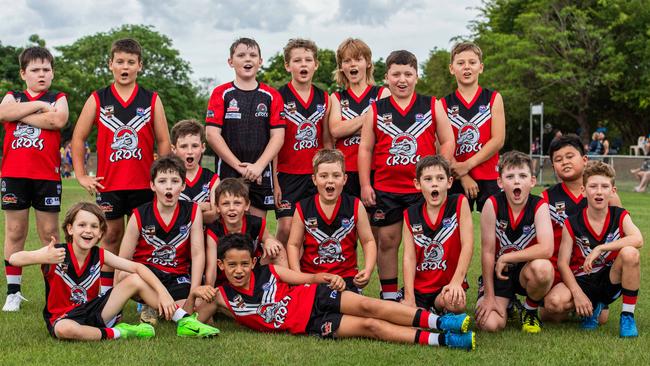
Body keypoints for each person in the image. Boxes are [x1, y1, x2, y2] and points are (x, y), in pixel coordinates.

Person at [188, 233, 475, 350]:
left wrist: (323, 276)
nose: (238, 270)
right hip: (309, 324)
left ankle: (440, 322)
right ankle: (444, 341)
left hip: (315, 296)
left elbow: (305, 277)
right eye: (231, 265)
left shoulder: (269, 271)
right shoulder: (222, 297)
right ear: (220, 265)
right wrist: (198, 295)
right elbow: (189, 324)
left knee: (370, 307)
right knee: (370, 326)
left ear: (253, 262)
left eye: (243, 264)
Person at [7, 202, 205, 340]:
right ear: (70, 229)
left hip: (96, 311)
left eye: (94, 226)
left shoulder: (100, 254)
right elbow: (14, 259)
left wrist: (163, 293)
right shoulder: (56, 253)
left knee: (134, 280)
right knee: (65, 330)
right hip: (63, 318)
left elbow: (137, 267)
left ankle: (185, 321)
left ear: (101, 233)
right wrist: (40, 257)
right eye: (82, 225)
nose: (88, 230)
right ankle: (123, 332)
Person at [71, 38, 171, 295]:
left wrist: (162, 178)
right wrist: (82, 175)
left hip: (143, 185)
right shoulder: (98, 98)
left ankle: (143, 296)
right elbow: (78, 138)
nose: (124, 67)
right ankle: (106, 294)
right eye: (120, 62)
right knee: (111, 237)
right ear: (110, 65)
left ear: (140, 66)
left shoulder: (151, 99)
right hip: (110, 184)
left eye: (130, 62)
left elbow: (163, 141)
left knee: (145, 241)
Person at [358, 50, 455, 300]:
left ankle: (425, 293)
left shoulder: (431, 104)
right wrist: (365, 185)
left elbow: (447, 140)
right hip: (386, 188)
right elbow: (366, 149)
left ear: (416, 76)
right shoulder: (376, 109)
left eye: (408, 74)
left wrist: (437, 172)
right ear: (386, 77)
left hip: (421, 190)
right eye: (396, 74)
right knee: (387, 241)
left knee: (426, 242)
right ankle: (389, 295)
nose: (402, 80)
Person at [115, 155, 217, 336]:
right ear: (153, 185)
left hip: (176, 276)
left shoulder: (192, 211)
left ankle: (154, 306)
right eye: (162, 181)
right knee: (125, 275)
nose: (169, 186)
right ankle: (160, 306)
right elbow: (122, 260)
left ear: (183, 186)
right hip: (146, 276)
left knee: (203, 310)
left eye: (175, 181)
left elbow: (197, 253)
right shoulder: (139, 214)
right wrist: (117, 306)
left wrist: (193, 292)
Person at [0, 46, 69, 311]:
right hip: (15, 176)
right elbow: (4, 113)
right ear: (23, 73)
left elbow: (58, 120)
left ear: (52, 72)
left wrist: (22, 113)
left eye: (46, 69)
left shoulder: (58, 96)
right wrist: (40, 107)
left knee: (49, 234)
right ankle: (13, 292)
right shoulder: (13, 96)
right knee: (15, 232)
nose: (41, 74)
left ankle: (54, 291)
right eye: (35, 70)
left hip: (46, 178)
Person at [555, 161, 643, 337]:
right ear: (583, 191)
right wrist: (577, 294)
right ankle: (593, 306)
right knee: (554, 303)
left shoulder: (619, 215)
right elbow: (562, 263)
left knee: (631, 253)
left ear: (613, 191)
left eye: (604, 186)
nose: (599, 191)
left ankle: (627, 316)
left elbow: (638, 239)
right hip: (583, 279)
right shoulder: (572, 222)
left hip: (609, 279)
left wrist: (601, 248)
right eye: (593, 186)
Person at [541, 134, 622, 322]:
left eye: (570, 156)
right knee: (551, 310)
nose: (565, 162)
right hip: (563, 270)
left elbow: (621, 239)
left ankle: (596, 300)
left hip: (594, 270)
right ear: (553, 167)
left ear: (584, 160)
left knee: (601, 319)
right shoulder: (547, 198)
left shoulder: (605, 195)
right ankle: (575, 302)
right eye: (559, 160)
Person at [474, 151, 554, 333]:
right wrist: (488, 295)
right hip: (499, 272)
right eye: (510, 176)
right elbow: (487, 252)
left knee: (543, 268)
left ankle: (530, 310)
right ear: (500, 182)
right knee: (488, 325)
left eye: (523, 176)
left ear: (532, 181)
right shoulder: (492, 204)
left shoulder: (539, 205)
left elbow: (547, 249)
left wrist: (508, 257)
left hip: (526, 272)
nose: (517, 181)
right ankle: (508, 304)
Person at [205, 37, 284, 219]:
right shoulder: (221, 93)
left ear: (260, 61)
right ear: (231, 62)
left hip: (260, 173)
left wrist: (258, 166)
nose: (247, 59)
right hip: (228, 172)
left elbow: (278, 137)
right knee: (227, 228)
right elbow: (212, 134)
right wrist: (240, 167)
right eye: (241, 55)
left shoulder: (271, 95)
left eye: (253, 55)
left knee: (255, 229)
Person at [286, 149, 376, 293]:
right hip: (313, 278)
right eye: (323, 176)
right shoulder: (303, 208)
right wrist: (299, 276)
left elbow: (368, 241)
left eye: (336, 175)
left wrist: (368, 269)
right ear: (314, 179)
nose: (330, 180)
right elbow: (293, 245)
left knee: (361, 309)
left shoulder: (355, 205)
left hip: (347, 278)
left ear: (344, 179)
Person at [273, 38, 332, 245]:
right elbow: (274, 142)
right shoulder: (278, 96)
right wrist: (275, 180)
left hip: (314, 175)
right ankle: (270, 272)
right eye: (297, 60)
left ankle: (302, 276)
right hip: (287, 175)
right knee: (286, 228)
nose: (303, 64)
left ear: (316, 65)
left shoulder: (324, 97)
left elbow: (326, 139)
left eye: (308, 60)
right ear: (288, 65)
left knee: (311, 230)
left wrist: (330, 171)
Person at [401, 156, 473, 314]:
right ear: (417, 184)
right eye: (428, 179)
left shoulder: (459, 203)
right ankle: (428, 313)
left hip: (446, 287)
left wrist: (456, 282)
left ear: (449, 182)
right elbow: (409, 257)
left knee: (456, 303)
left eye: (440, 178)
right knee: (404, 317)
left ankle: (435, 310)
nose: (434, 183)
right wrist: (409, 297)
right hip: (419, 288)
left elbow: (467, 245)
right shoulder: (410, 214)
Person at [443, 41, 505, 212]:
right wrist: (463, 174)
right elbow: (441, 143)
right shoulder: (443, 104)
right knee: (455, 234)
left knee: (493, 234)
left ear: (481, 67)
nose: (466, 67)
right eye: (460, 63)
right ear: (451, 68)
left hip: (489, 175)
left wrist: (468, 165)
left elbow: (498, 140)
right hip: (456, 177)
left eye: (472, 62)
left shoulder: (493, 98)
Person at [329, 38, 390, 198]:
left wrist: (349, 128)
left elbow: (384, 130)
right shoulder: (336, 98)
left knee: (375, 222)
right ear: (342, 67)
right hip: (345, 170)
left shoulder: (383, 93)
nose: (352, 65)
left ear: (368, 63)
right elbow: (335, 130)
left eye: (358, 59)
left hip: (377, 168)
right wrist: (370, 118)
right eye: (347, 61)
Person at [205, 177, 286, 287]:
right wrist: (209, 288)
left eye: (237, 203)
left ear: (247, 205)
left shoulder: (255, 223)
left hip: (250, 270)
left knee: (277, 248)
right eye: (225, 204)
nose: (232, 208)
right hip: (225, 277)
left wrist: (269, 240)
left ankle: (284, 289)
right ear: (217, 207)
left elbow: (268, 238)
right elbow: (211, 267)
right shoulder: (214, 230)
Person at [170, 119, 219, 223]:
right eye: (183, 146)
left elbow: (214, 215)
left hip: (206, 237)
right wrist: (199, 207)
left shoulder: (212, 179)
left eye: (195, 146)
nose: (190, 151)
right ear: (174, 149)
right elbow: (168, 216)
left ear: (203, 147)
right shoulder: (168, 178)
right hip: (178, 238)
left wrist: (181, 211)